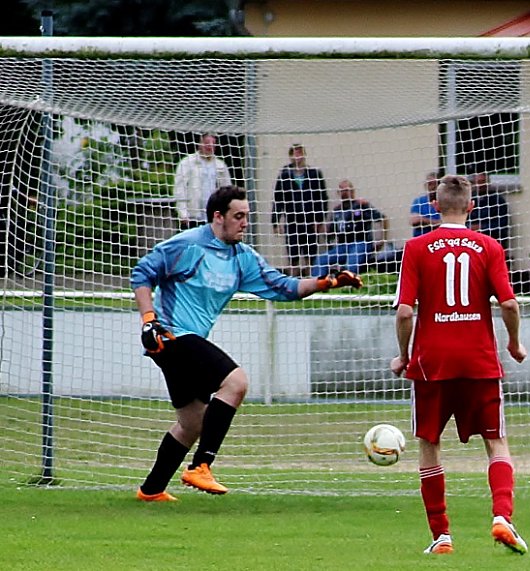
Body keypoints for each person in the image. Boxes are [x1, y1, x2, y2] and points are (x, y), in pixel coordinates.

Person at [131, 185, 362, 502]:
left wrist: (328, 282)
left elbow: (285, 287)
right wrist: (148, 320)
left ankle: (151, 490)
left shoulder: (242, 257)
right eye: (238, 216)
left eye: (247, 217)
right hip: (170, 336)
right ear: (217, 217)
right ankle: (201, 465)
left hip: (188, 341)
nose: (245, 223)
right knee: (236, 383)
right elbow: (142, 273)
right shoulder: (187, 245)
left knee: (192, 423)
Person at [390, 174, 528, 555]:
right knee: (496, 442)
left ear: (434, 207)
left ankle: (442, 536)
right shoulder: (489, 246)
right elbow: (510, 304)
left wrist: (404, 356)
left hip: (432, 362)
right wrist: (514, 343)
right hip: (479, 361)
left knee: (430, 444)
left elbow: (404, 311)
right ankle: (502, 517)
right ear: (471, 206)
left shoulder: (416, 247)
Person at [271, 143, 328, 276]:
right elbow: (278, 198)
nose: (298, 157)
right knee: (293, 255)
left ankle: (310, 281)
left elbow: (322, 198)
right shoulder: (285, 175)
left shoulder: (314, 174)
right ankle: (293, 283)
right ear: (290, 157)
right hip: (292, 220)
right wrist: (275, 221)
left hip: (310, 220)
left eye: (300, 153)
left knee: (310, 254)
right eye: (295, 154)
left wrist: (319, 220)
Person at [311, 179, 387, 277]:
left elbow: (382, 218)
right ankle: (319, 286)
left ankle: (348, 286)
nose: (344, 193)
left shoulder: (361, 205)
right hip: (342, 246)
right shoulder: (337, 211)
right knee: (321, 260)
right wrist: (319, 228)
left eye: (346, 190)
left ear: (353, 191)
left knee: (352, 261)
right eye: (341, 190)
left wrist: (382, 240)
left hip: (361, 243)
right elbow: (330, 233)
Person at [173, 133, 232, 230]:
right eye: (206, 142)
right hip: (193, 215)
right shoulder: (187, 162)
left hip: (213, 215)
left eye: (213, 143)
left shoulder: (220, 165)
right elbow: (180, 188)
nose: (210, 146)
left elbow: (227, 190)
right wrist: (183, 212)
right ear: (200, 143)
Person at [468, 172, 510, 253]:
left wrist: (482, 227)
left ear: (488, 182)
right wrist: (471, 227)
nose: (481, 185)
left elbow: (502, 223)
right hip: (473, 242)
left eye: (483, 181)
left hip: (493, 241)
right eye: (478, 182)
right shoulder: (469, 200)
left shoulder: (497, 200)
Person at [409, 171, 441, 237]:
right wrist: (436, 222)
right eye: (430, 184)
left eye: (435, 184)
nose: (433, 187)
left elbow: (446, 223)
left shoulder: (445, 202)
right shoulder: (419, 201)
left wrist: (423, 219)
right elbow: (414, 221)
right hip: (421, 240)